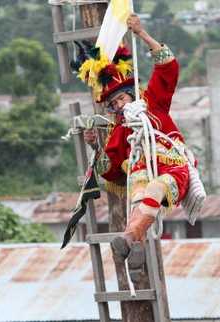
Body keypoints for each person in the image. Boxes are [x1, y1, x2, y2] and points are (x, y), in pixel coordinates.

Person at [78, 14, 190, 267]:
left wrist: (142, 33)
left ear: (132, 93)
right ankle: (132, 241)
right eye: (113, 103)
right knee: (139, 192)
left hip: (172, 167)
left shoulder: (154, 102)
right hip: (141, 172)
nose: (118, 105)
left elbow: (169, 67)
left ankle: (130, 238)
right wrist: (95, 145)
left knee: (154, 189)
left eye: (121, 99)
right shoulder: (120, 131)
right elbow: (109, 170)